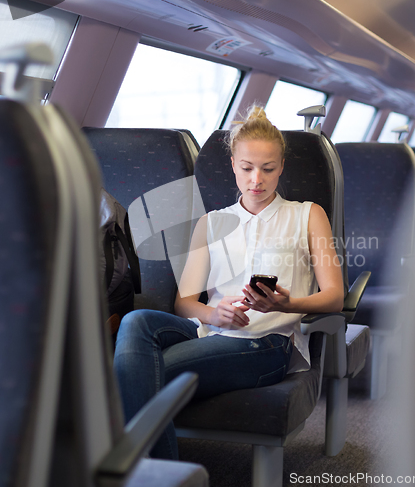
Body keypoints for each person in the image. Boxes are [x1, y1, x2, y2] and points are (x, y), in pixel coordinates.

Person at [113, 106, 344, 459]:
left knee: (140, 374)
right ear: (233, 165)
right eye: (247, 168)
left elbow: (334, 297)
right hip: (211, 331)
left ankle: (155, 478)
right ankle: (164, 476)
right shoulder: (211, 222)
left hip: (267, 342)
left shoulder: (308, 215)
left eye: (268, 169)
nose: (257, 180)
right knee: (136, 320)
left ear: (281, 167)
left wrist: (286, 304)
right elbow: (185, 303)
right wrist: (213, 314)